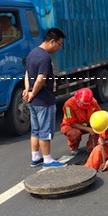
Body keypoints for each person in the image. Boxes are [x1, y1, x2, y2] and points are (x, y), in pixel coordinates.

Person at [23, 27, 67, 168]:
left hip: (33, 101)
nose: (59, 48)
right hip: (44, 100)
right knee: (45, 131)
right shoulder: (45, 57)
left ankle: (35, 157)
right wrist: (33, 92)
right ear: (52, 41)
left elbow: (27, 74)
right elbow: (41, 79)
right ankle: (48, 160)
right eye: (59, 44)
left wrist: (28, 90)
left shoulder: (32, 53)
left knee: (35, 130)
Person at [60, 88, 101, 155]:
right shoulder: (68, 105)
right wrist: (88, 129)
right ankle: (74, 146)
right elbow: (71, 123)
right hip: (71, 125)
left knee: (98, 127)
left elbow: (99, 115)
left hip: (87, 123)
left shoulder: (93, 102)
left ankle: (91, 148)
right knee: (75, 134)